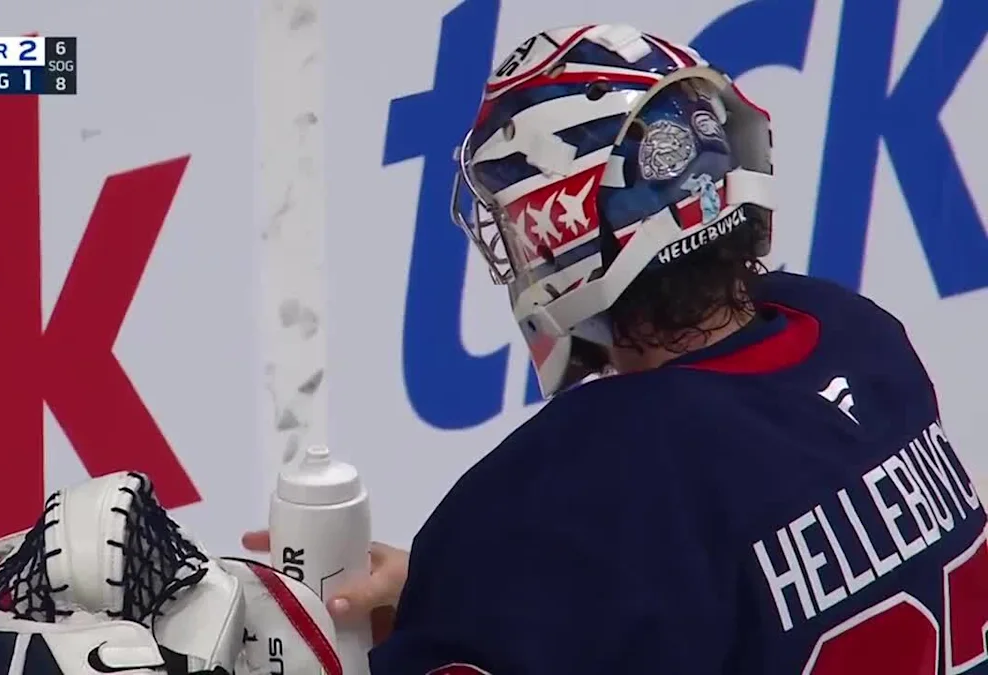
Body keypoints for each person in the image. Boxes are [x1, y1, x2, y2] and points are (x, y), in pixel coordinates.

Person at [247, 23, 988, 674]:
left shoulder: (583, 481)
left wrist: (485, 590)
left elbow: (639, 545)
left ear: (562, 234)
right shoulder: (856, 334)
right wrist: (482, 593)